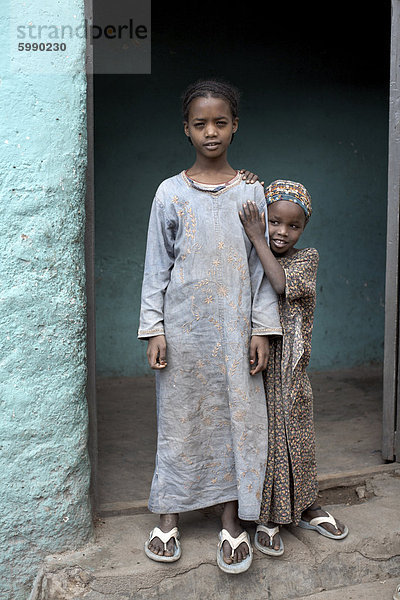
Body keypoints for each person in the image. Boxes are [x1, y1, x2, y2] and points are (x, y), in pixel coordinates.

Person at [137, 79, 282, 573]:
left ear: (235, 125)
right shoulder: (169, 193)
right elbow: (156, 268)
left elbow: (262, 267)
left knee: (234, 420)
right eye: (200, 124)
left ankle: (231, 520)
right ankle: (168, 516)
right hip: (183, 331)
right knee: (179, 419)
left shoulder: (252, 192)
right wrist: (153, 328)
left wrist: (262, 328)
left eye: (221, 122)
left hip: (236, 330)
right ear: (186, 129)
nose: (211, 132)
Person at [239, 179, 349, 557]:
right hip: (257, 366)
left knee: (298, 438)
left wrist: (257, 237)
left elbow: (280, 282)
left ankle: (306, 506)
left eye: (293, 225)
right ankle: (268, 516)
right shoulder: (249, 257)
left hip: (291, 369)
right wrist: (249, 185)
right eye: (273, 222)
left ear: (304, 229)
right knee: (266, 440)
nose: (282, 232)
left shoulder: (306, 259)